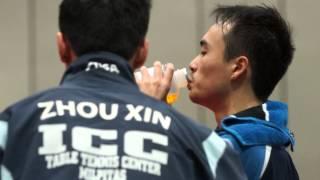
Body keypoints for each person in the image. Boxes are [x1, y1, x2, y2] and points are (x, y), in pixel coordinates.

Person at [0, 0, 246, 179]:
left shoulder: (10, 129)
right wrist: (154, 117)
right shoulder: (205, 147)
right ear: (142, 52)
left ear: (62, 46)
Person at [138, 4, 299, 180]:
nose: (192, 64)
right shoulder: (260, 143)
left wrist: (149, 121)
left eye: (204, 52)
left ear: (238, 67)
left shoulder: (243, 150)